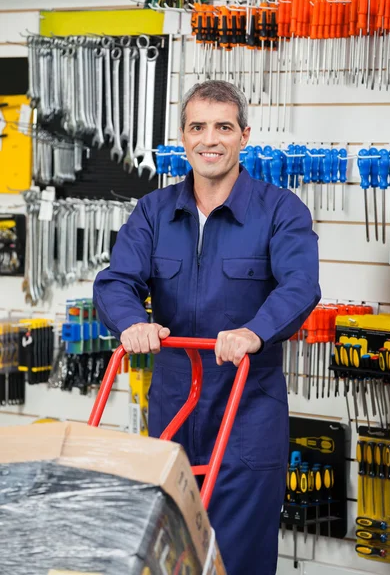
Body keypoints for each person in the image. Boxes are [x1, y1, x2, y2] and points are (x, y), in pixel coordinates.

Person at [94, 80, 321, 574]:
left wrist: (253, 332)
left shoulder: (280, 210)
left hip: (247, 412)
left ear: (244, 135)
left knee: (236, 557)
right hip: (174, 405)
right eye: (197, 127)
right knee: (170, 554)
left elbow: (300, 286)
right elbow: (115, 282)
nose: (209, 139)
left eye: (223, 127)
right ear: (183, 135)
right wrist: (133, 322)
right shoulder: (154, 212)